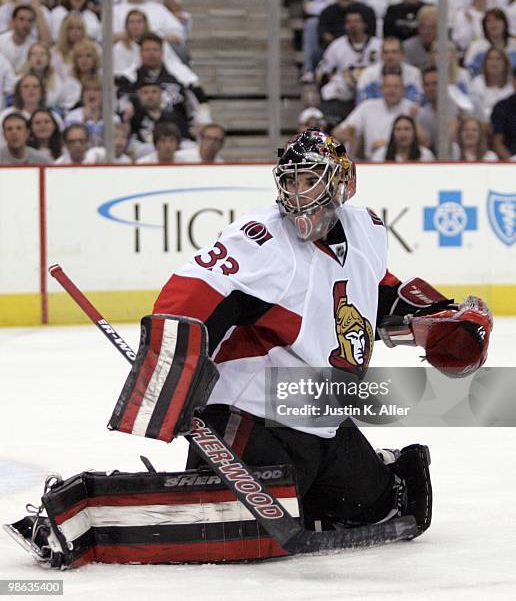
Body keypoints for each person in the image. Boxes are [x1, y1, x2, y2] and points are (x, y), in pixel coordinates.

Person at [152, 128, 492, 535]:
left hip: (320, 414)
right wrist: (169, 375)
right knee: (237, 525)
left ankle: (311, 492)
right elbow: (189, 299)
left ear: (343, 181)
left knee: (383, 505)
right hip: (250, 412)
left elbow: (371, 293)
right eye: (291, 181)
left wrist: (435, 321)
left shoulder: (366, 227)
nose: (298, 194)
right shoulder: (261, 239)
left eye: (310, 179)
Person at [333, 71, 417, 160]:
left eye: (396, 86)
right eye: (388, 86)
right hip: (371, 162)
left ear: (403, 90)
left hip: (403, 161)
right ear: (381, 89)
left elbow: (426, 142)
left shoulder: (412, 109)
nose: (392, 90)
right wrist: (342, 133)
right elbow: (339, 132)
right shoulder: (367, 106)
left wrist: (387, 145)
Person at [356, 36, 423, 104]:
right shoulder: (368, 73)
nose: (389, 56)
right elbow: (362, 100)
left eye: (394, 52)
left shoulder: (414, 73)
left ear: (402, 54)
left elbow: (418, 100)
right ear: (381, 55)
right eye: (386, 52)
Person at [464, 8, 516, 77]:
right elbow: (469, 70)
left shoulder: (514, 45)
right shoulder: (475, 47)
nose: (493, 24)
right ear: (484, 26)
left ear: (505, 23)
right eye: (489, 21)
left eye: (497, 19)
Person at [470, 46, 513, 122]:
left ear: (505, 63)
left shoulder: (512, 84)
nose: (494, 62)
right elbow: (474, 110)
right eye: (490, 59)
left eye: (498, 59)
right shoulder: (477, 82)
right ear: (485, 63)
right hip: (482, 124)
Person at [0, 5, 39, 73]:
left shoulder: (35, 46)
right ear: (13, 21)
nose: (26, 24)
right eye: (21, 19)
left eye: (30, 20)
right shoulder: (1, 41)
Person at [491, 65, 516, 159]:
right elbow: (497, 142)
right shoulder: (502, 107)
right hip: (510, 158)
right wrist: (511, 164)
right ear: (514, 82)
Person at [402, 4, 437, 71]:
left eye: (433, 27)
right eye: (424, 26)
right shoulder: (408, 47)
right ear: (418, 28)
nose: (428, 31)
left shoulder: (447, 48)